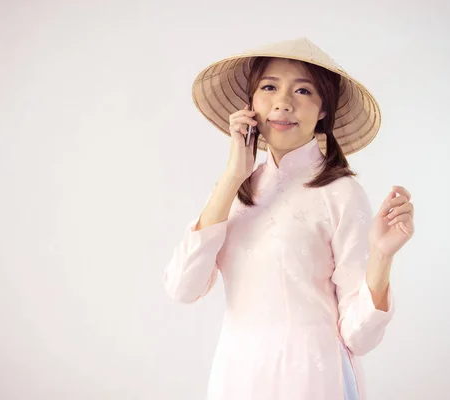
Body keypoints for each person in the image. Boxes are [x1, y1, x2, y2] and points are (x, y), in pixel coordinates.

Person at [163, 37, 415, 400]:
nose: (283, 102)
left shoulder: (340, 193)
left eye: (303, 90)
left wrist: (382, 255)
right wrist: (233, 176)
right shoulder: (234, 189)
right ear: (250, 103)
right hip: (237, 377)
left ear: (323, 109)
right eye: (269, 87)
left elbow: (359, 337)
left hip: (312, 379)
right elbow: (183, 288)